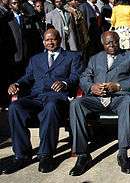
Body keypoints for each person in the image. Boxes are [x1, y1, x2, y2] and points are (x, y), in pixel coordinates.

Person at [3, 29, 82, 174]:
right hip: (36, 97)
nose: (50, 42)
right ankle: (22, 155)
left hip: (57, 97)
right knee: (15, 106)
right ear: (43, 41)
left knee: (51, 107)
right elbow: (28, 77)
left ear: (59, 40)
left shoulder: (72, 56)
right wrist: (17, 84)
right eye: (47, 40)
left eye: (53, 39)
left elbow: (76, 77)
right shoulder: (36, 58)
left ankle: (46, 155)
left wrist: (64, 83)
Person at [69, 31, 130, 176]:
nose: (111, 45)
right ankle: (82, 155)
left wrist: (118, 86)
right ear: (102, 44)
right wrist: (91, 87)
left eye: (114, 41)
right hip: (97, 99)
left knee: (128, 101)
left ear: (119, 40)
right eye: (108, 43)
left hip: (119, 97)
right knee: (76, 103)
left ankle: (123, 154)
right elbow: (85, 77)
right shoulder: (94, 58)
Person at [64, 0, 91, 64]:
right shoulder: (67, 12)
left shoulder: (78, 11)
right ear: (69, 2)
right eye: (74, 0)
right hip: (73, 37)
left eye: (76, 0)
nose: (76, 2)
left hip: (81, 37)